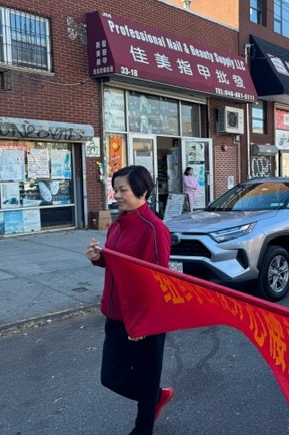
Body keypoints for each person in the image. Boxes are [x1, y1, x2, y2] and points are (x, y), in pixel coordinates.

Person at [86, 165, 173, 435]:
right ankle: (154, 396)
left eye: (123, 190)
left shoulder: (154, 229)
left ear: (142, 190)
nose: (117, 195)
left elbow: (158, 282)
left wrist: (143, 323)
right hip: (116, 315)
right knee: (111, 377)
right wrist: (98, 257)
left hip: (143, 320)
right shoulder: (118, 225)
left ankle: (143, 425)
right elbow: (116, 263)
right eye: (116, 189)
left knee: (146, 376)